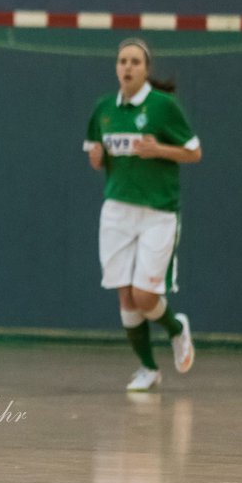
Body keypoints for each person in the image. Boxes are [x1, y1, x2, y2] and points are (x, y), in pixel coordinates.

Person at [84, 38, 200, 392]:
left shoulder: (164, 107)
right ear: (116, 67)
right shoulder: (104, 108)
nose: (128, 67)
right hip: (117, 211)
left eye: (135, 61)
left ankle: (177, 328)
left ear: (146, 69)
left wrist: (159, 149)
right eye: (122, 61)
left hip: (158, 213)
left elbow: (194, 152)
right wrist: (98, 159)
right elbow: (96, 153)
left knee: (144, 297)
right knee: (125, 298)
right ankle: (148, 368)